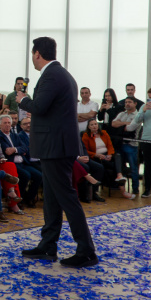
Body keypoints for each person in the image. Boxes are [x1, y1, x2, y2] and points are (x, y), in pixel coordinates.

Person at [17, 36, 98, 268]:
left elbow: (40, 107)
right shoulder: (62, 74)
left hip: (55, 147)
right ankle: (48, 245)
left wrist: (23, 100)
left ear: (37, 54)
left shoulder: (52, 75)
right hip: (56, 145)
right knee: (52, 199)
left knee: (67, 198)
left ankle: (86, 250)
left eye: (32, 54)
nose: (32, 58)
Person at [81, 118, 133, 199]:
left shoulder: (104, 133)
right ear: (88, 127)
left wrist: (110, 154)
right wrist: (96, 155)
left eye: (95, 124)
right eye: (92, 125)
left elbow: (110, 145)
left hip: (108, 154)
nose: (94, 126)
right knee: (118, 166)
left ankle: (119, 176)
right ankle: (123, 189)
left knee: (118, 155)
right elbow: (85, 150)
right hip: (98, 157)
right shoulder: (86, 136)